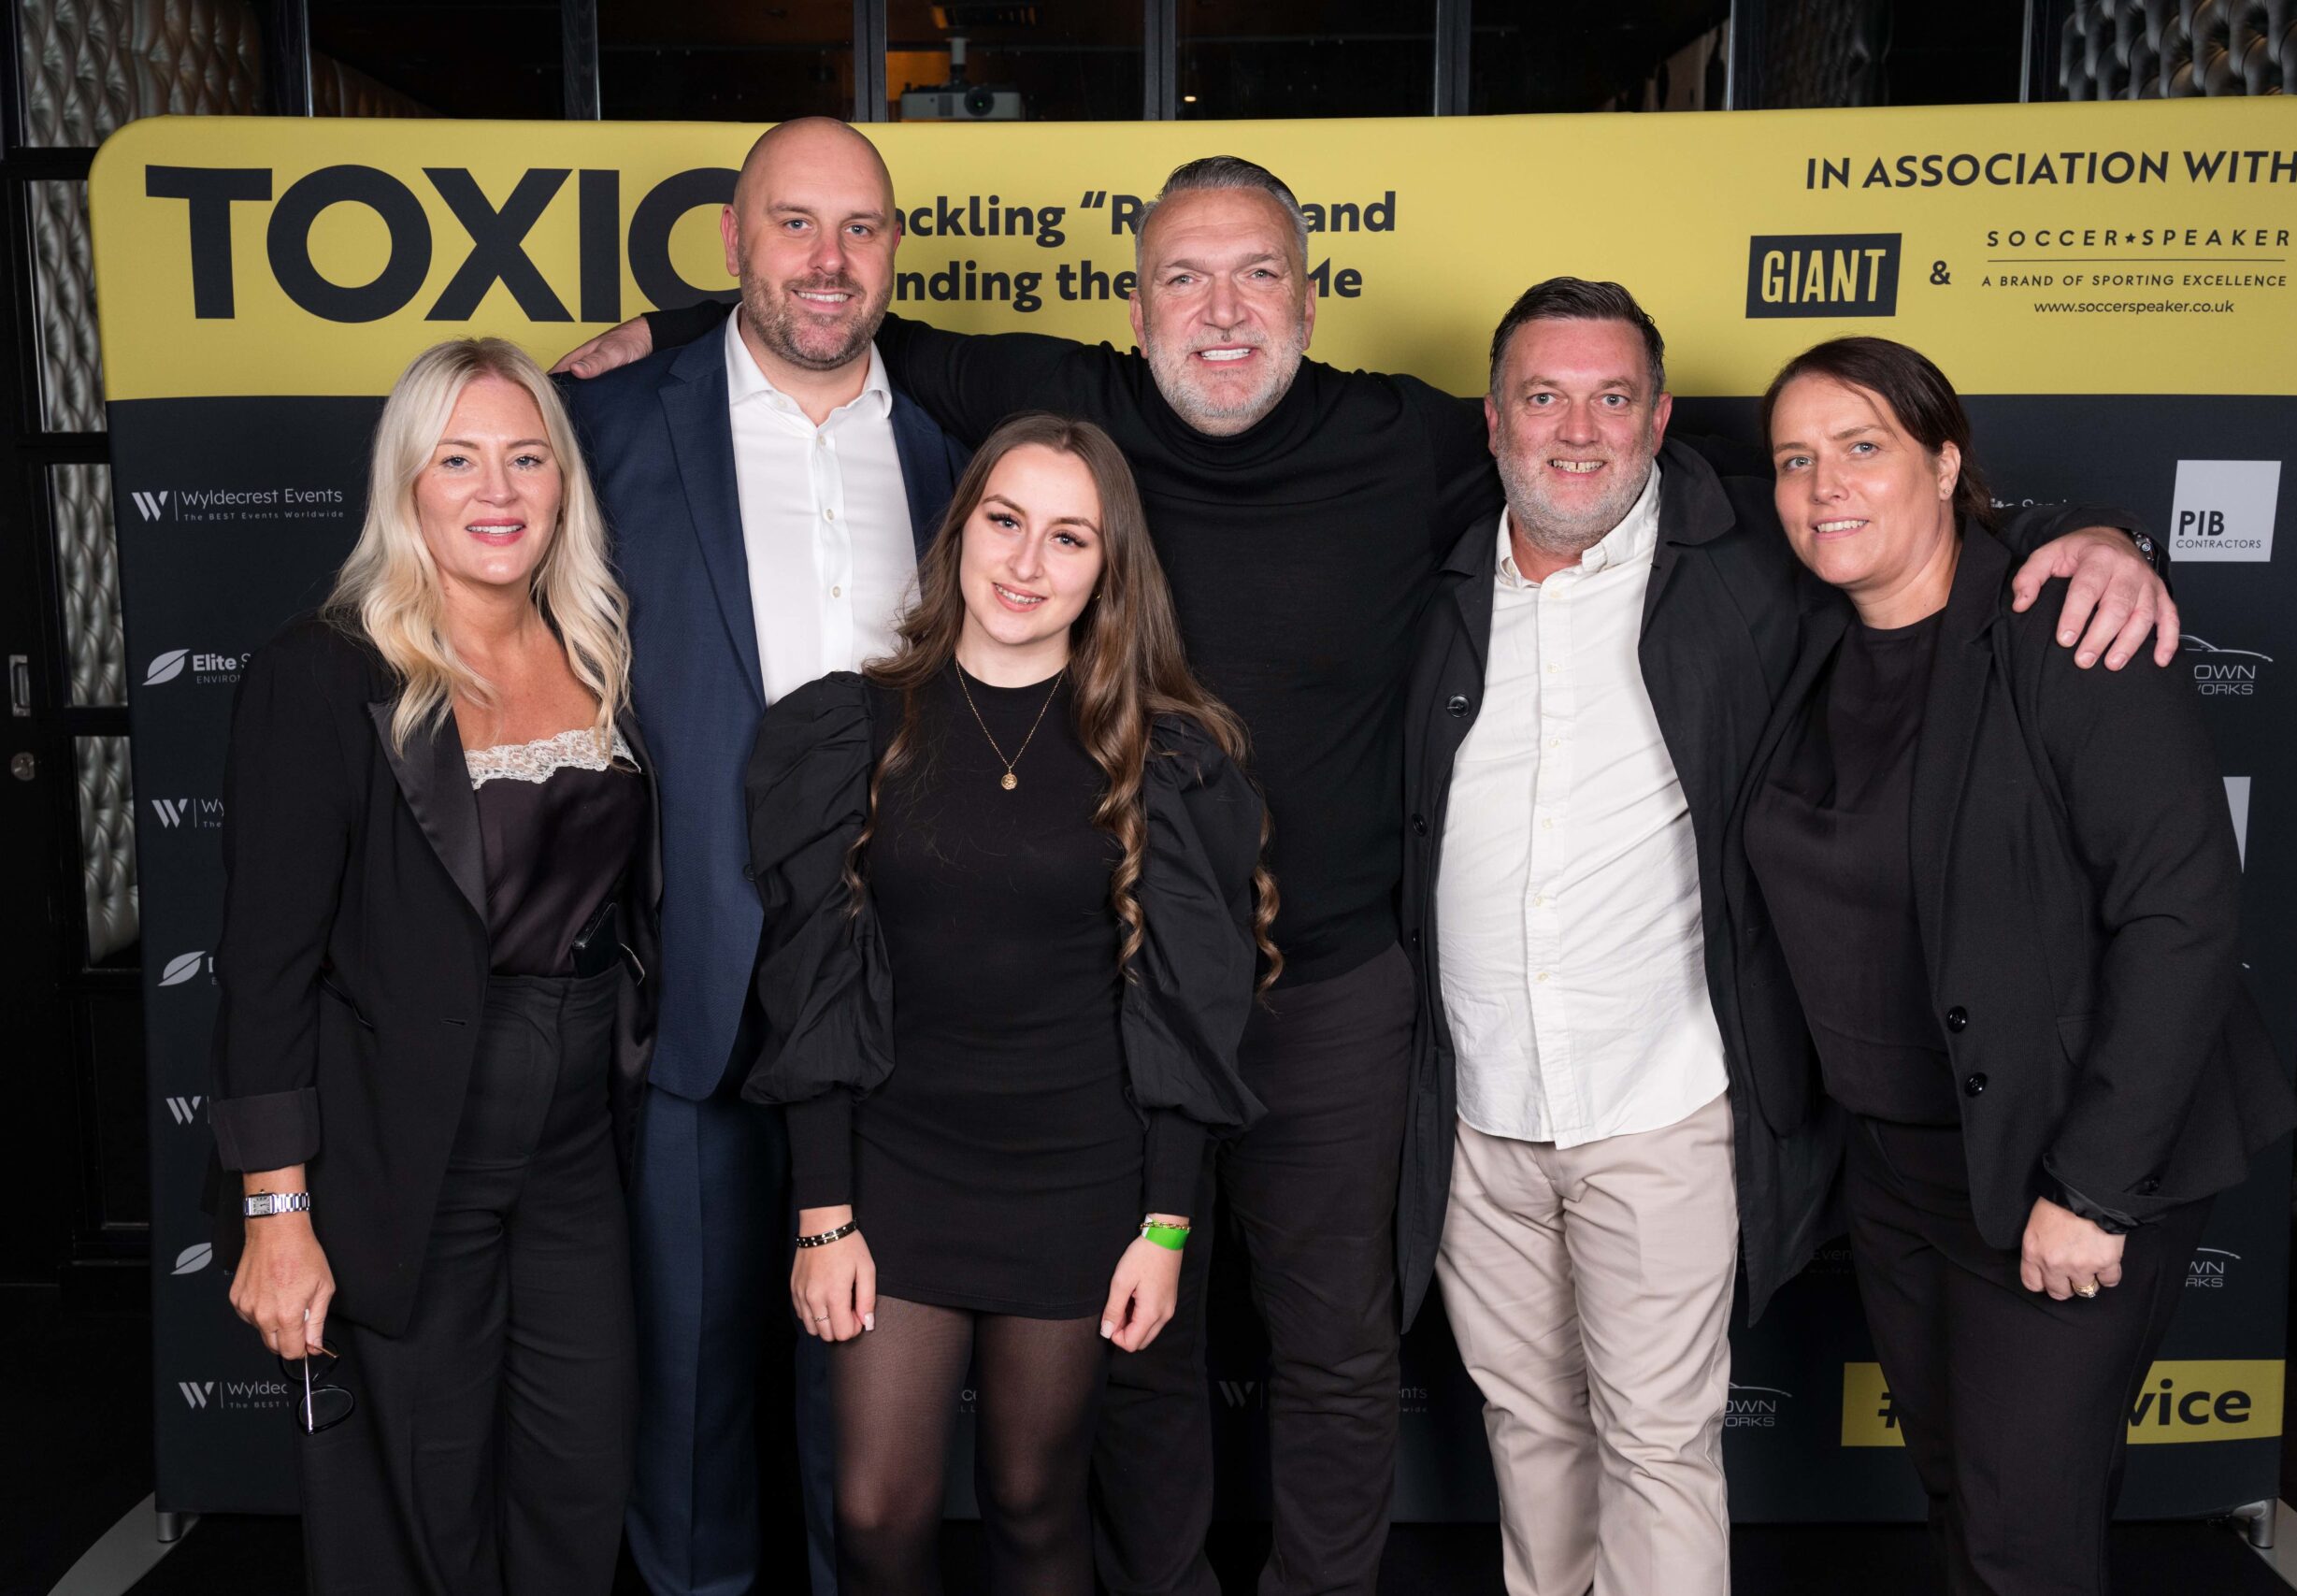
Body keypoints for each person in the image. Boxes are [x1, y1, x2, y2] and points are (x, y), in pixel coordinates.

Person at [556, 153, 2175, 1596]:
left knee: (1335, 1350)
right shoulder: (1071, 407)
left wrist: (2072, 525)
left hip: (1341, 989)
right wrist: (678, 331)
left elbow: (1795, 469)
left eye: (1259, 273)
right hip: (1113, 991)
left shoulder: (1423, 438)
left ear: (1310, 299)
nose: (1223, 309)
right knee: (1141, 1350)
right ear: (1136, 306)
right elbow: (831, 310)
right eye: (1184, 276)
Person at [1401, 280, 2172, 1596]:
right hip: (1479, 1108)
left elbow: (1926, 532)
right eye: (1544, 396)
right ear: (1492, 421)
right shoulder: (1431, 570)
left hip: (1664, 1099)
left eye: (1613, 397)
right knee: (1527, 1430)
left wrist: (2099, 535)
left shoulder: (1754, 556)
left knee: (1656, 1441)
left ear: (1659, 422)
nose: (1576, 429)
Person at [1734, 335, 2297, 1593]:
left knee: (2019, 1530)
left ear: (1945, 461)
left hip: (2066, 1154)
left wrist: (2094, 1186)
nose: (1825, 484)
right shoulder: (1814, 639)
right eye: (1793, 459)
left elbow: (2182, 914)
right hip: (1895, 1163)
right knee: (1962, 1486)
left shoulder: (2066, 630)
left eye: (1862, 447)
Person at [740, 413, 1274, 1595]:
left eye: (1068, 538)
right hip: (897, 1170)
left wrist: (1167, 1225)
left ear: (1108, 569)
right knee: (878, 1513)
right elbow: (811, 987)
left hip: (1080, 1177)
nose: (1027, 564)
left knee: (1036, 1500)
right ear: (961, 529)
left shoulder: (1164, 757)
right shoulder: (848, 731)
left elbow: (1190, 1010)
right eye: (1005, 521)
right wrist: (823, 1212)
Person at [560, 118, 968, 1596]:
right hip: (698, 983)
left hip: (905, 995)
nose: (827, 260)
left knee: (867, 1402)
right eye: (794, 225)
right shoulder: (606, 425)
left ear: (895, 254)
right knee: (690, 1389)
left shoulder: (952, 444)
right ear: (734, 240)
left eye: (859, 230)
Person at [209, 338, 657, 1594]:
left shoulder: (608, 654)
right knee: (418, 1491)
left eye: (526, 456)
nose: (497, 488)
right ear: (405, 484)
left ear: (563, 483)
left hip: (578, 1147)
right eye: (457, 459)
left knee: (579, 1470)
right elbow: (263, 967)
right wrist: (275, 1209)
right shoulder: (325, 673)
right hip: (406, 1147)